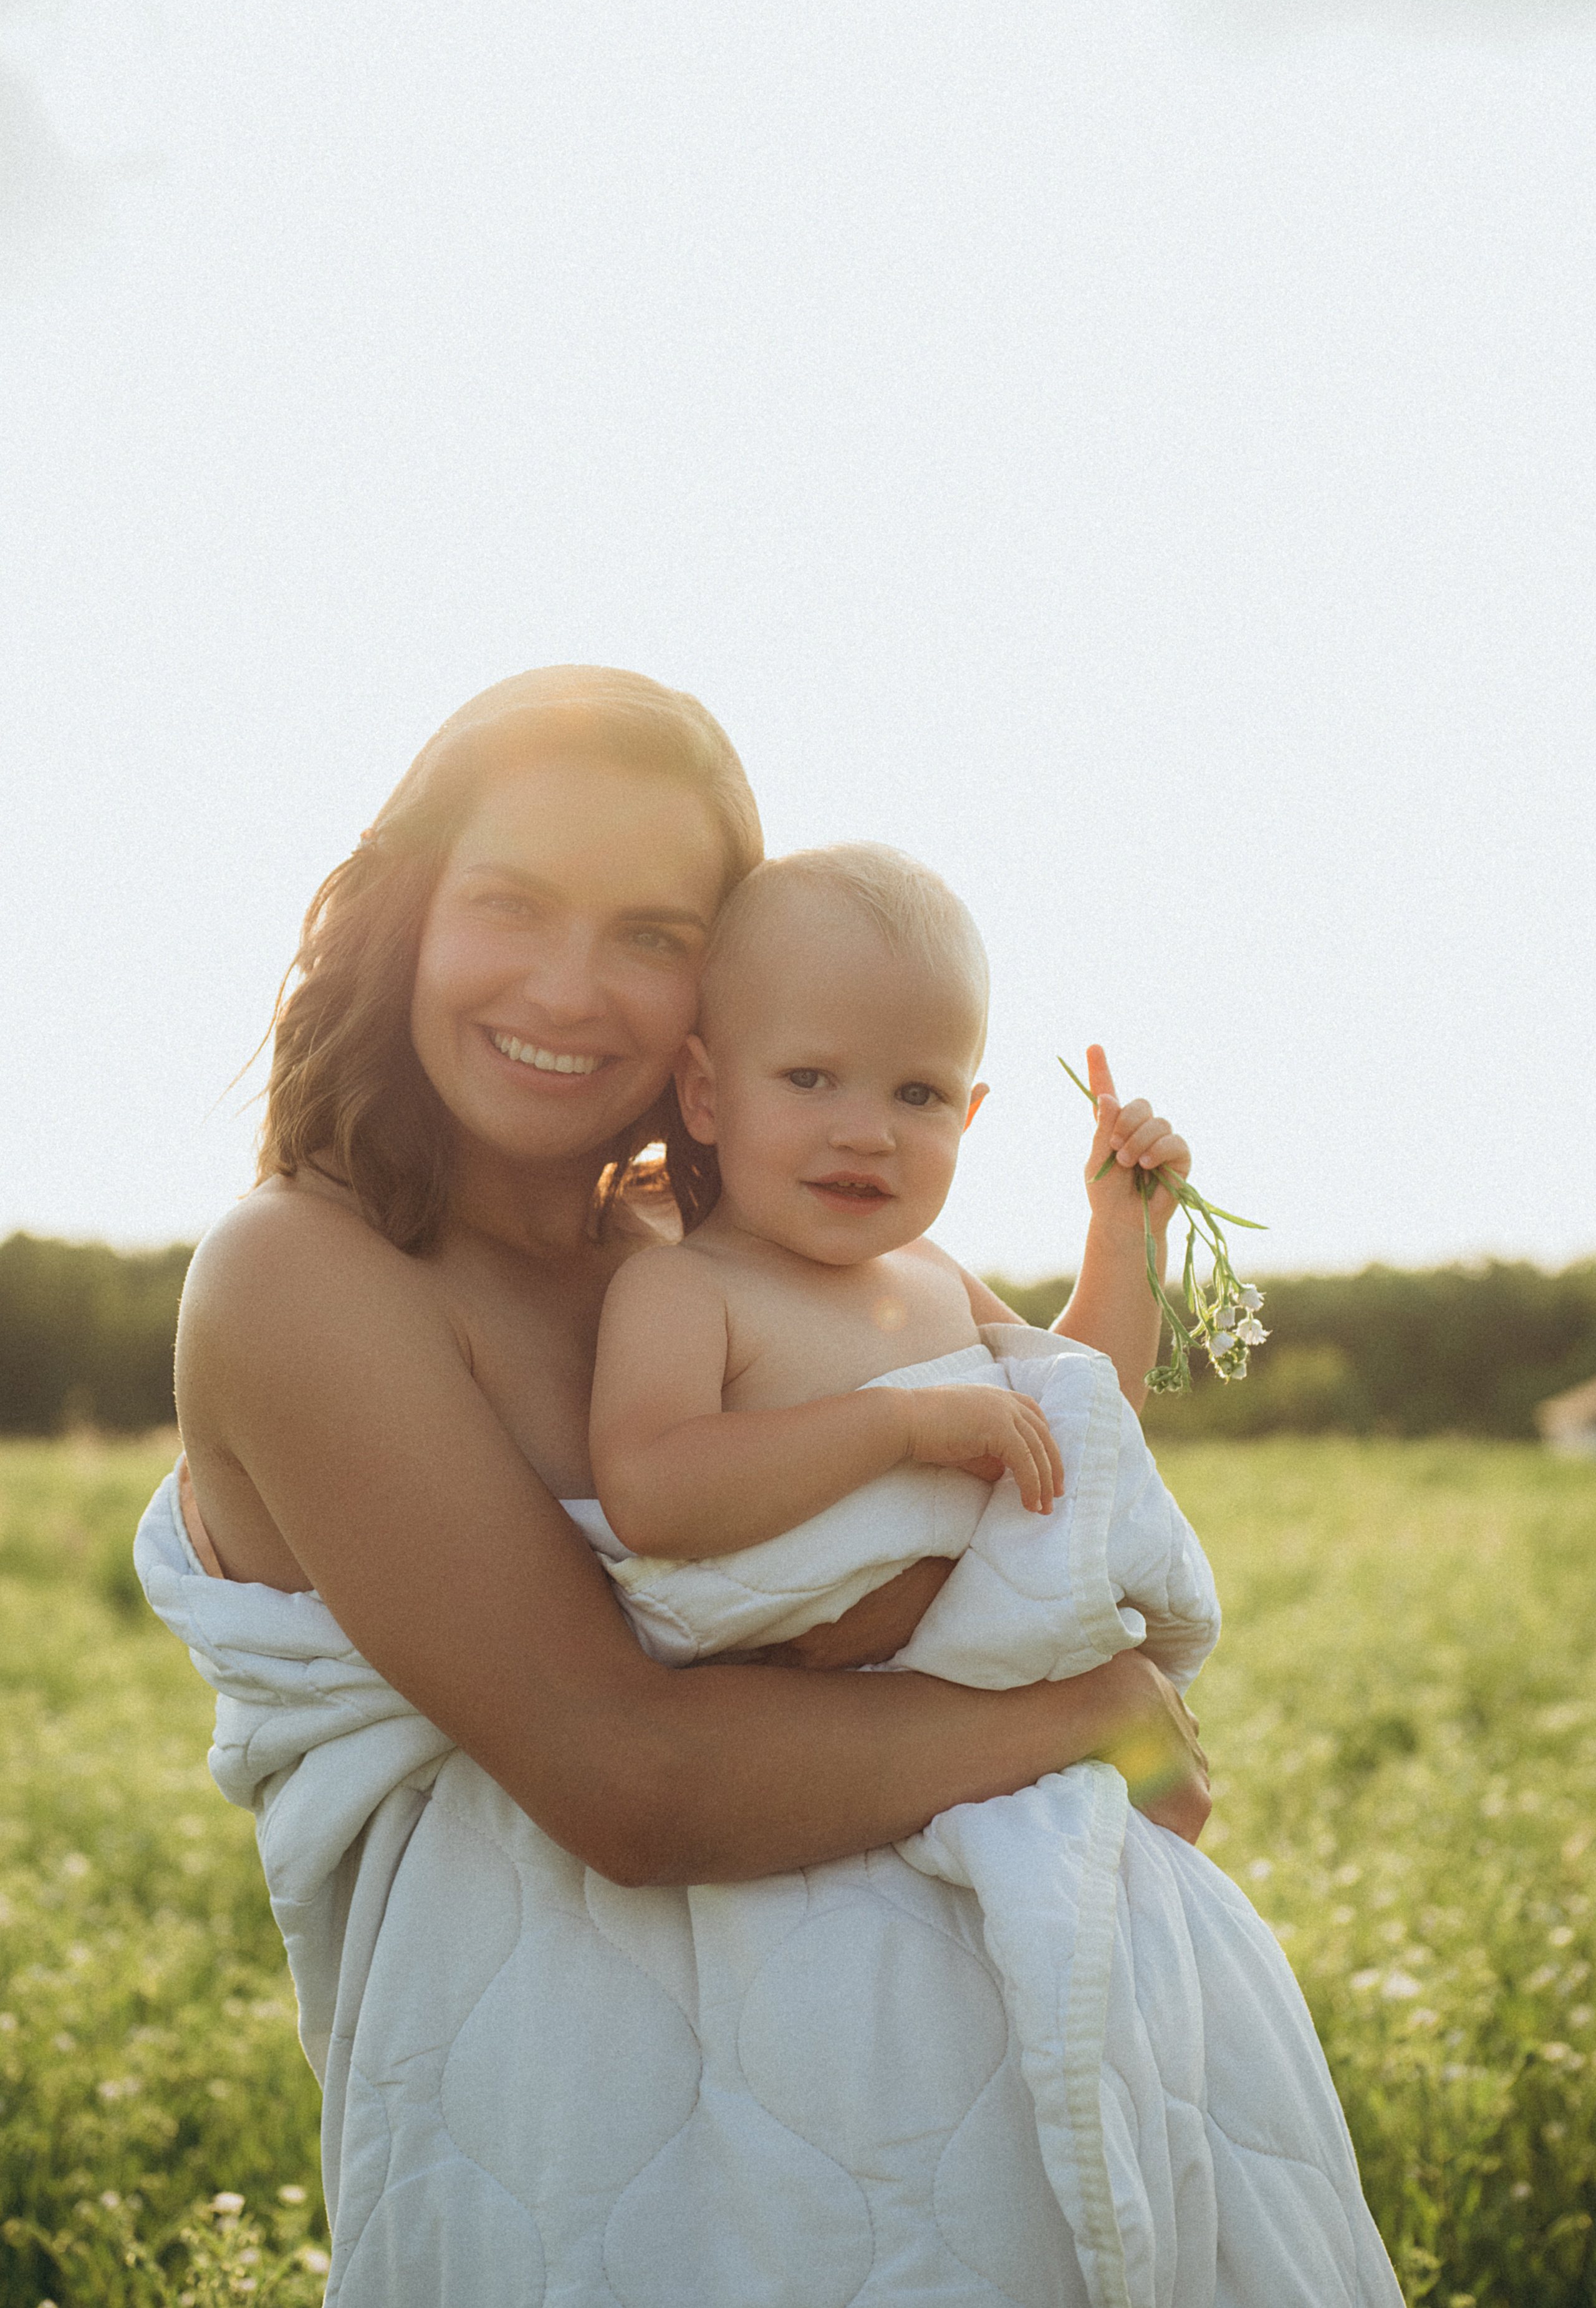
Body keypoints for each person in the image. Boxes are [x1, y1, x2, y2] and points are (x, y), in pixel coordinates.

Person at [136, 664, 1219, 2308]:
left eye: (651, 932)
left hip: (932, 2114)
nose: (571, 987)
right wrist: (1094, 1715)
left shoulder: (723, 1239)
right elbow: (624, 1778)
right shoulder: (305, 1270)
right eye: (511, 901)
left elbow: (1057, 1429)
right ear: (408, 911)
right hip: (573, 2138)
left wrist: (1119, 1238)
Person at [582, 844, 1404, 2308]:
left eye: (913, 1095)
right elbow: (654, 1491)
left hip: (985, 1738)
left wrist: (1119, 1232)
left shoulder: (933, 1278)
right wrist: (901, 1425)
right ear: (708, 1093)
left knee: (1155, 2039)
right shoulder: (685, 1286)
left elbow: (1073, 1417)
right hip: (828, 1755)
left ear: (968, 1115)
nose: (863, 1133)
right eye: (810, 1079)